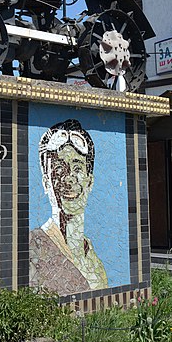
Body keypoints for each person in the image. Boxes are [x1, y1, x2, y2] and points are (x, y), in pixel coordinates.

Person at [29, 119, 108, 293]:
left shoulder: (93, 260)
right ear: (46, 183)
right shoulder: (33, 248)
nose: (69, 178)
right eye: (58, 169)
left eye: (78, 169)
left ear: (90, 181)